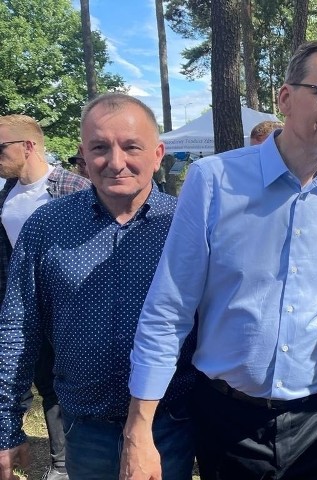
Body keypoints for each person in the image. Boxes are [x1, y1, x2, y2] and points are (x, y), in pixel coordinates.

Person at [122, 40, 317, 480]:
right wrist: (138, 428)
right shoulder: (213, 180)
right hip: (228, 419)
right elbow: (169, 308)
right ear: (285, 98)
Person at [0, 93, 197, 480]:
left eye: (131, 146)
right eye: (100, 147)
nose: (116, 161)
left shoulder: (186, 226)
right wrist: (6, 423)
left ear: (157, 154)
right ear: (83, 156)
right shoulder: (47, 226)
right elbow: (18, 329)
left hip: (169, 422)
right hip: (85, 425)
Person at [0, 115, 90, 480]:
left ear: (29, 146)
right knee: (46, 387)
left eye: (1, 147)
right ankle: (60, 464)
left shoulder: (73, 187)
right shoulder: (5, 194)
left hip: (71, 313)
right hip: (26, 312)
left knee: (76, 386)